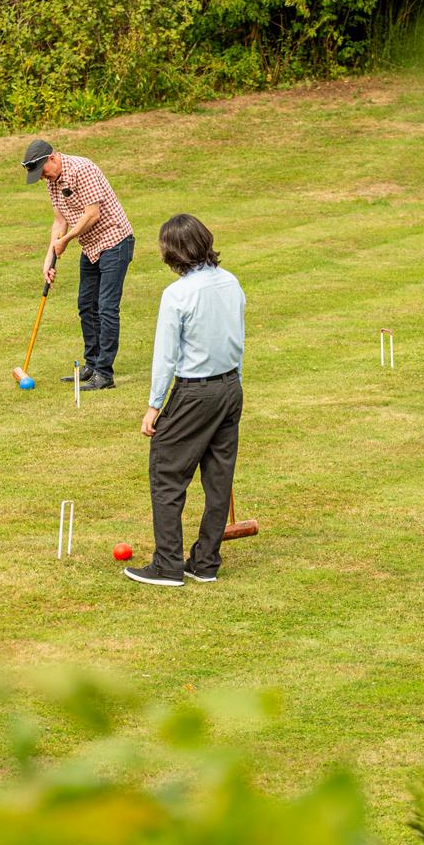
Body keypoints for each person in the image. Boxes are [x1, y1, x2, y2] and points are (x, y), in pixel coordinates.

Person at [124, 214, 246, 588]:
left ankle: (167, 566)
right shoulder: (231, 281)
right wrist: (232, 387)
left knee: (167, 472)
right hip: (231, 387)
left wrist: (154, 405)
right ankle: (205, 563)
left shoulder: (176, 294)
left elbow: (165, 356)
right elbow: (236, 337)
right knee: (218, 477)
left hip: (195, 392)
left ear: (172, 253)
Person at [21, 138, 135, 391]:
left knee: (106, 307)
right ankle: (92, 365)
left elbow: (92, 214)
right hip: (91, 246)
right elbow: (59, 222)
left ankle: (104, 374)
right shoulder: (53, 181)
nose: (42, 178)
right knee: (86, 305)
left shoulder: (82, 169)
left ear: (52, 158)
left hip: (114, 240)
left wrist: (67, 241)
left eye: (42, 172)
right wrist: (49, 257)